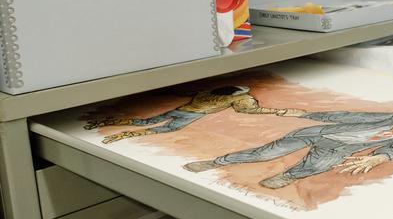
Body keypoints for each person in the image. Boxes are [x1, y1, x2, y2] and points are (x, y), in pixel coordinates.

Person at [183, 111, 393, 189]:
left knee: (318, 166)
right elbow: (350, 117)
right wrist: (302, 113)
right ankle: (216, 162)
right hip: (321, 132)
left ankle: (288, 177)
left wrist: (378, 159)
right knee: (264, 153)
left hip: (341, 146)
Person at [85, 85, 306, 143]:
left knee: (147, 120)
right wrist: (280, 111)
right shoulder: (237, 98)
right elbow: (250, 110)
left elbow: (184, 92)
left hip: (182, 109)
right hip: (190, 116)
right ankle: (124, 136)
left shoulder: (205, 92)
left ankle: (108, 122)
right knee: (164, 129)